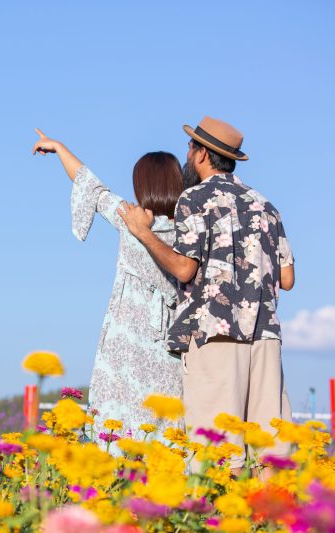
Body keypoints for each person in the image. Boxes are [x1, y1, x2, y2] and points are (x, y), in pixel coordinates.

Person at [116, 117, 295, 472]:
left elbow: (185, 269)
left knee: (216, 452)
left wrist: (144, 234)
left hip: (216, 332)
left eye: (190, 146)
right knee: (270, 451)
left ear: (201, 154)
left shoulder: (193, 199)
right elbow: (287, 279)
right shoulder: (265, 205)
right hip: (265, 336)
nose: (187, 153)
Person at [32, 128, 184, 444]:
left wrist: (60, 148)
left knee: (119, 423)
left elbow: (93, 188)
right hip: (171, 342)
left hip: (125, 341)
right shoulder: (189, 231)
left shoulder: (131, 220)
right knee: (166, 425)